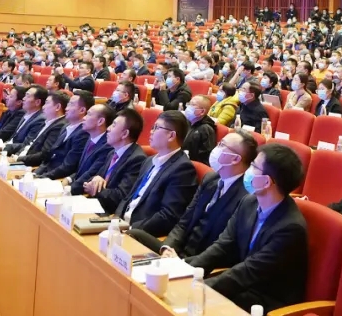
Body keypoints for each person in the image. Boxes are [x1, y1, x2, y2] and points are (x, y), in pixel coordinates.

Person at [187, 143, 309, 313]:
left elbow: (248, 271)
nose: (248, 170)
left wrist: (200, 288)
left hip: (267, 301)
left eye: (253, 166)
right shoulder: (249, 202)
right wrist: (186, 271)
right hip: (243, 288)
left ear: (266, 181)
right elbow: (223, 246)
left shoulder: (290, 228)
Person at [132, 131, 256, 257]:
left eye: (222, 145)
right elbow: (184, 222)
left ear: (235, 159)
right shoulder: (210, 179)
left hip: (202, 260)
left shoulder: (246, 197)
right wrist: (167, 249)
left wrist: (181, 262)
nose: (216, 148)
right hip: (177, 252)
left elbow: (223, 247)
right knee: (133, 235)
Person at [114, 110, 198, 236]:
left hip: (140, 232)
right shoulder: (149, 161)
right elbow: (128, 196)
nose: (151, 131)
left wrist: (131, 229)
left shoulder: (183, 169)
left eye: (156, 128)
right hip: (121, 225)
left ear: (171, 136)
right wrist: (116, 220)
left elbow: (168, 215)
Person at [72, 109, 147, 212]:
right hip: (95, 205)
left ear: (125, 134)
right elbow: (95, 177)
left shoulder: (137, 159)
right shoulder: (112, 152)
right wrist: (95, 179)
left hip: (109, 213)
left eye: (114, 125)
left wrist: (96, 190)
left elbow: (120, 196)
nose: (108, 128)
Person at [35, 91, 94, 179]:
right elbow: (49, 157)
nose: (66, 108)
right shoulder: (65, 126)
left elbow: (68, 166)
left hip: (58, 179)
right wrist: (36, 174)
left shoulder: (83, 134)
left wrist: (41, 177)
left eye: (71, 104)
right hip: (46, 174)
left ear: (82, 110)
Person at [6, 90, 64, 166]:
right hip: (21, 158)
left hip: (29, 164)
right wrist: (16, 156)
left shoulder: (58, 126)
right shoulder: (46, 122)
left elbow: (44, 154)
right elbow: (29, 144)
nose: (43, 107)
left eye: (46, 103)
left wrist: (17, 159)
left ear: (57, 107)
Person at [63, 103, 115, 184]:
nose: (84, 118)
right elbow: (81, 171)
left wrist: (69, 189)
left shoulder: (107, 147)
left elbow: (90, 175)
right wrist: (69, 178)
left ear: (100, 121)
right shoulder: (90, 138)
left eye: (89, 114)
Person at [182, 95, 217, 165]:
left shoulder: (206, 130)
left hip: (191, 165)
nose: (188, 107)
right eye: (189, 104)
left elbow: (205, 158)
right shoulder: (188, 122)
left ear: (202, 111)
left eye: (193, 105)